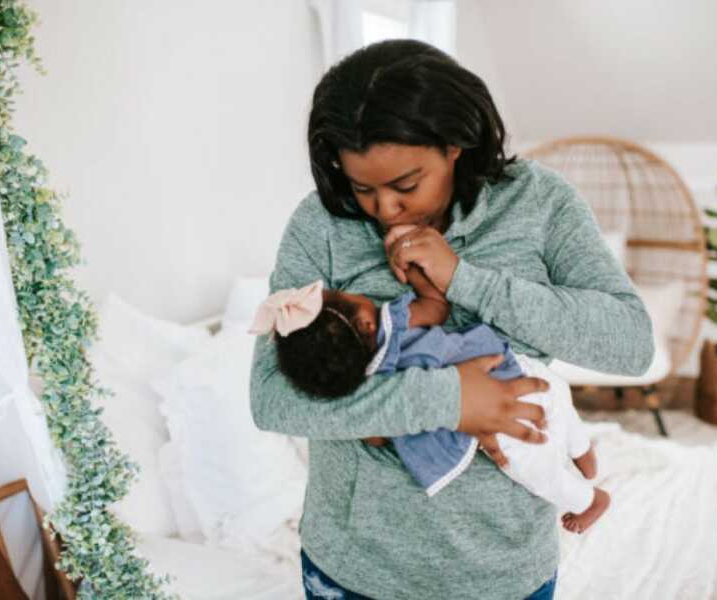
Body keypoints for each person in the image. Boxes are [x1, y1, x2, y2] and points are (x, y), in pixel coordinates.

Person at [249, 38, 654, 599]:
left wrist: (465, 278)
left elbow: (631, 344)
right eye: (362, 188)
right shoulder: (321, 225)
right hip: (355, 570)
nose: (384, 209)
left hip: (505, 573)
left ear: (457, 146)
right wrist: (448, 400)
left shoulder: (540, 204)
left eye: (405, 185)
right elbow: (271, 399)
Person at [248, 270, 612, 534]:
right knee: (557, 398)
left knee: (533, 467)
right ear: (364, 324)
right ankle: (583, 455)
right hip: (511, 365)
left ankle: (586, 499)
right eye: (343, 293)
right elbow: (436, 306)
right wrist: (421, 277)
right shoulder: (393, 321)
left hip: (502, 397)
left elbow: (376, 434)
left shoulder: (373, 384)